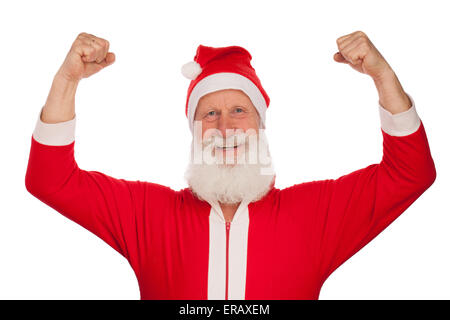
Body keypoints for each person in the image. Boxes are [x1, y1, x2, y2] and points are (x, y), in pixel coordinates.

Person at [25, 31, 436, 300]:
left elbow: (411, 173)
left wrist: (382, 77)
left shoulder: (315, 214)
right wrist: (67, 81)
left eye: (238, 110)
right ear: (193, 131)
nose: (224, 128)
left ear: (259, 124)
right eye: (209, 115)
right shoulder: (146, 213)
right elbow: (50, 180)